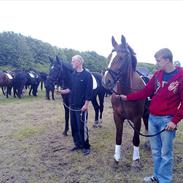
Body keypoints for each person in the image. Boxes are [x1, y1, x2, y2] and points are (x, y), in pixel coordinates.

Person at [117, 48, 183, 183]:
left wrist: (174, 121)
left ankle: (164, 180)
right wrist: (127, 97)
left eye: (158, 61)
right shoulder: (158, 74)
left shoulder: (181, 77)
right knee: (156, 151)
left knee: (166, 154)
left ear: (167, 60)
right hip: (153, 118)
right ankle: (157, 176)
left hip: (167, 121)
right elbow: (145, 92)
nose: (156, 63)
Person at [60, 55, 93, 156]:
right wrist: (61, 91)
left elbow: (89, 92)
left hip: (81, 106)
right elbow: (70, 89)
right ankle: (77, 144)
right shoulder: (72, 75)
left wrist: (86, 105)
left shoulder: (87, 75)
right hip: (72, 106)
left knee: (82, 127)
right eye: (72, 61)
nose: (72, 63)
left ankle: (86, 146)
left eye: (73, 61)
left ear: (79, 62)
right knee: (74, 126)